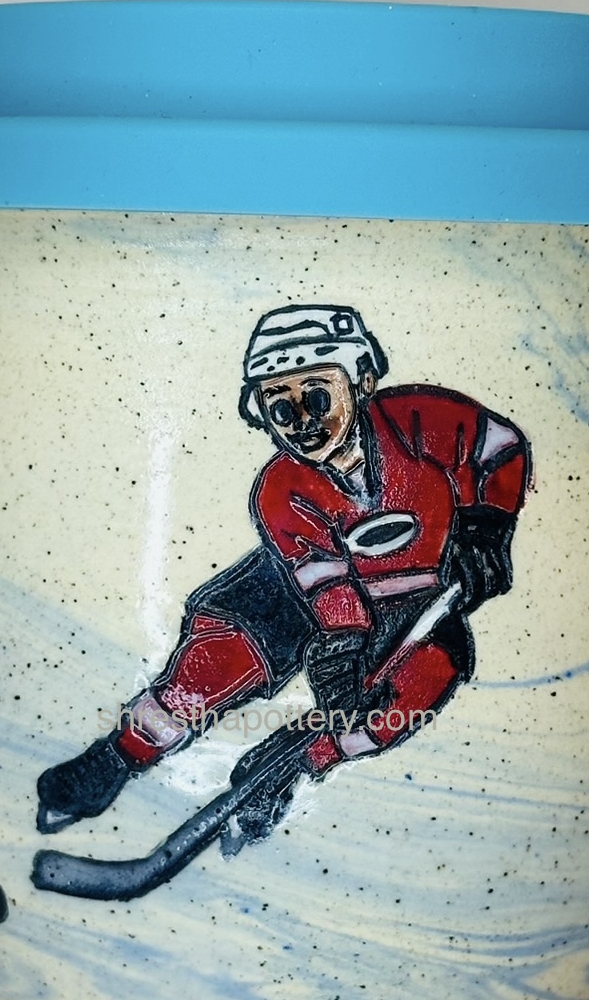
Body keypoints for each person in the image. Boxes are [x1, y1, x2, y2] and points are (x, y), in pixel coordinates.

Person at [35, 304, 529, 835]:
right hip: (294, 597)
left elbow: (502, 448)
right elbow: (327, 589)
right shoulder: (281, 488)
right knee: (217, 663)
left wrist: (486, 528)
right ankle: (119, 756)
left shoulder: (422, 419)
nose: (304, 422)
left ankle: (296, 763)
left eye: (317, 398)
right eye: (281, 409)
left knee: (422, 681)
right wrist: (344, 650)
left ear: (362, 381)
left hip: (412, 596)